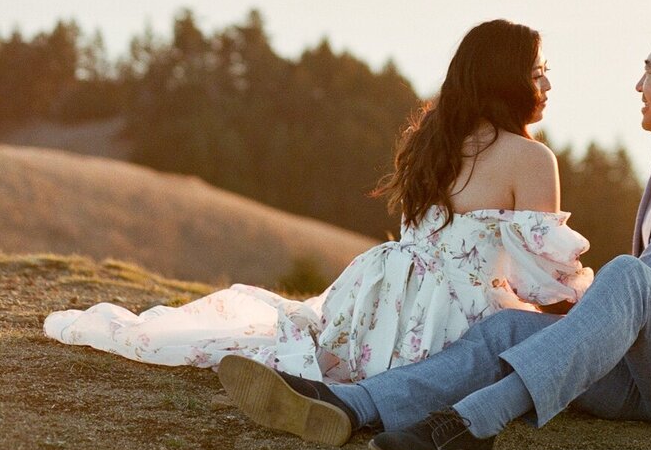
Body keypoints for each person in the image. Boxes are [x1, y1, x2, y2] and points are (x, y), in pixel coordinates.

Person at [217, 16, 651, 450]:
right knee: (504, 329)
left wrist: (577, 315)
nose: (638, 84)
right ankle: (349, 405)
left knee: (628, 275)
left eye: (649, 72)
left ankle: (470, 426)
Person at [43, 20, 592, 384]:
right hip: (450, 315)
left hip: (383, 296)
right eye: (538, 71)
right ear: (507, 80)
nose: (547, 83)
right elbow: (547, 280)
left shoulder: (434, 139)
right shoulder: (531, 158)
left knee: (320, 355)